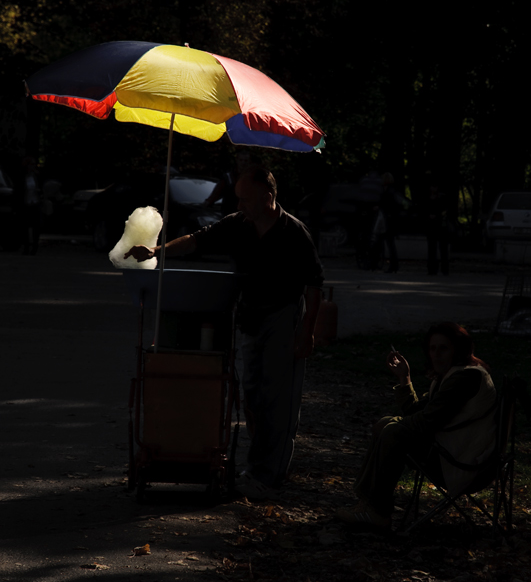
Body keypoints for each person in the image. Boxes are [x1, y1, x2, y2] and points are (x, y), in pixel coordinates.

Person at [125, 166, 324, 500]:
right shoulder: (238, 225)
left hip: (283, 316)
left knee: (278, 400)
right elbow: (196, 240)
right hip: (250, 317)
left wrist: (307, 333)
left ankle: (269, 474)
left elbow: (314, 285)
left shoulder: (294, 232)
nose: (241, 204)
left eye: (246, 199)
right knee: (252, 399)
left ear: (268, 197)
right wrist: (157, 251)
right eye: (239, 198)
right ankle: (259, 466)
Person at [336, 322, 497, 529]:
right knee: (387, 425)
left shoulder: (467, 377)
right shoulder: (452, 375)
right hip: (451, 454)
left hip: (462, 463)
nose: (436, 355)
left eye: (443, 348)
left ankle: (377, 510)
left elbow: (426, 422)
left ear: (458, 350)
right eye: (432, 348)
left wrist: (395, 426)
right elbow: (417, 412)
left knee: (393, 431)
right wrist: (405, 377)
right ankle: (368, 504)